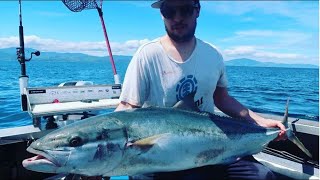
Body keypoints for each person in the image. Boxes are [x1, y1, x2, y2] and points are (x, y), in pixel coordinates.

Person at [115, 0, 287, 179]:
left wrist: (260, 121)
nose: (177, 18)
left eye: (185, 10)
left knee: (262, 176)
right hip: (160, 156)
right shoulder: (147, 55)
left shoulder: (212, 55)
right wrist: (96, 163)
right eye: (169, 11)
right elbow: (127, 107)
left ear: (197, 11)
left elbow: (223, 99)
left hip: (211, 147)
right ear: (161, 14)